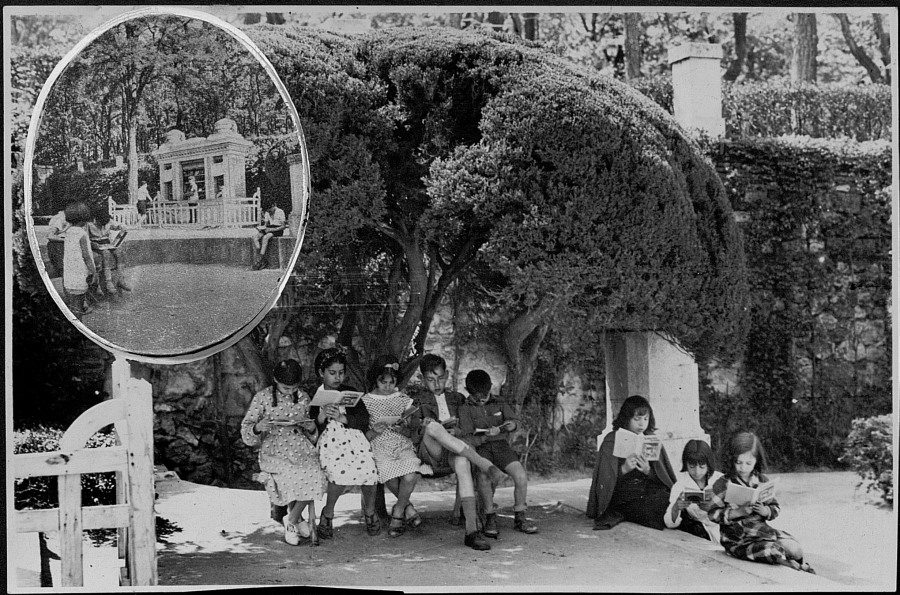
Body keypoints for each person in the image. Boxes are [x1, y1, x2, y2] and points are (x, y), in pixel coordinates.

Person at [407, 354, 505, 550]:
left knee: (462, 463)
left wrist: (457, 431)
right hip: (432, 453)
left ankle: (471, 532)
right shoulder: (417, 400)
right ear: (422, 378)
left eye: (441, 378)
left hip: (455, 448)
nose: (437, 383)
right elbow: (413, 431)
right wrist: (423, 424)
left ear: (448, 375)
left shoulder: (457, 398)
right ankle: (485, 465)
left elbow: (468, 427)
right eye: (431, 379)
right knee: (434, 428)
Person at [241, 360, 326, 546]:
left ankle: (292, 519)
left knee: (315, 473)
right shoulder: (262, 398)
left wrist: (310, 427)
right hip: (274, 449)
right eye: (285, 387)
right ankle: (297, 520)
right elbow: (247, 430)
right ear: (275, 380)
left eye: (293, 387)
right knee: (289, 475)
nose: (289, 391)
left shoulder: (303, 397)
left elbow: (311, 432)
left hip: (300, 446)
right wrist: (257, 427)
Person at [707, 432, 815, 573]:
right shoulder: (723, 484)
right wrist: (737, 512)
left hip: (763, 533)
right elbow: (712, 514)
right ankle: (791, 565)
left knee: (795, 548)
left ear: (756, 461)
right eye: (738, 462)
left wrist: (766, 511)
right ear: (731, 460)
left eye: (748, 463)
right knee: (772, 551)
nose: (743, 468)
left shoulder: (762, 481)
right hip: (737, 540)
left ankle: (795, 562)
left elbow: (775, 507)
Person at [308, 347, 380, 540]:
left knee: (369, 469)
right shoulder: (314, 398)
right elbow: (310, 426)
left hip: (354, 440)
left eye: (341, 373)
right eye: (332, 373)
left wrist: (343, 417)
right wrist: (322, 416)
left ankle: (370, 511)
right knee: (339, 472)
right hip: (330, 443)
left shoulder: (350, 393)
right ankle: (328, 512)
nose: (337, 377)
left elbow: (363, 419)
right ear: (321, 373)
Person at [458, 369, 538, 538]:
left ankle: (520, 515)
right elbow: (466, 437)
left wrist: (511, 425)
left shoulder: (500, 402)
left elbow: (515, 421)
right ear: (468, 391)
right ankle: (489, 517)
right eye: (476, 397)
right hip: (481, 449)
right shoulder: (465, 408)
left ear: (490, 388)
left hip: (501, 446)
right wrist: (484, 436)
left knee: (521, 476)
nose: (481, 400)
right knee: (483, 477)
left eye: (484, 396)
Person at [362, 356, 432, 537]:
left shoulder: (401, 398)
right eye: (382, 382)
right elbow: (364, 429)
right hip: (380, 444)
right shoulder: (367, 400)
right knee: (388, 473)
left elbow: (411, 420)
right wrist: (376, 429)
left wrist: (405, 424)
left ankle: (399, 511)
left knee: (411, 474)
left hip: (401, 442)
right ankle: (406, 508)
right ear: (375, 379)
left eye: (391, 382)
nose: (387, 386)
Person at [585, 395, 678, 531]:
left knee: (668, 498)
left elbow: (663, 476)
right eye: (637, 419)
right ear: (626, 418)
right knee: (651, 509)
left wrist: (648, 471)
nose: (642, 424)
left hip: (645, 490)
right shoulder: (611, 441)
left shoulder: (650, 439)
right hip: (621, 495)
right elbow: (604, 480)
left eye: (645, 419)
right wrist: (624, 469)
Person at [664, 439, 723, 542]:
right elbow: (669, 523)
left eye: (702, 466)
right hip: (699, 534)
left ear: (708, 464)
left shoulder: (720, 480)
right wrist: (676, 507)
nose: (697, 472)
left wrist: (715, 503)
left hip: (722, 530)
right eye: (692, 466)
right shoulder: (680, 485)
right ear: (685, 464)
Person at [61, 202, 97, 318]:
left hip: (69, 272)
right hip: (79, 274)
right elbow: (86, 256)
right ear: (84, 217)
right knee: (78, 307)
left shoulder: (68, 232)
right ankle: (78, 327)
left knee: (73, 304)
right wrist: (93, 272)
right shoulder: (82, 234)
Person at [88, 204, 131, 296]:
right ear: (96, 219)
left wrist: (122, 227)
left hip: (107, 243)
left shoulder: (108, 221)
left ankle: (121, 279)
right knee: (106, 253)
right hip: (96, 244)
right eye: (101, 223)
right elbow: (86, 238)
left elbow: (117, 225)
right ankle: (108, 282)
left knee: (119, 252)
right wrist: (93, 244)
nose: (103, 225)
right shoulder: (89, 224)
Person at [251, 202, 286, 270]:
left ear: (273, 206)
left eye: (270, 210)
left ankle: (260, 259)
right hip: (269, 228)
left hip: (277, 228)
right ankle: (261, 257)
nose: (269, 212)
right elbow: (266, 224)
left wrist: (272, 229)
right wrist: (261, 228)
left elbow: (283, 226)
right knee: (255, 237)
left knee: (265, 237)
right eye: (267, 211)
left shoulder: (280, 211)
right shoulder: (267, 212)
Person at [47, 206, 71, 278]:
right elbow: (50, 236)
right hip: (58, 245)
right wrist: (66, 240)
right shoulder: (60, 218)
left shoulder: (73, 218)